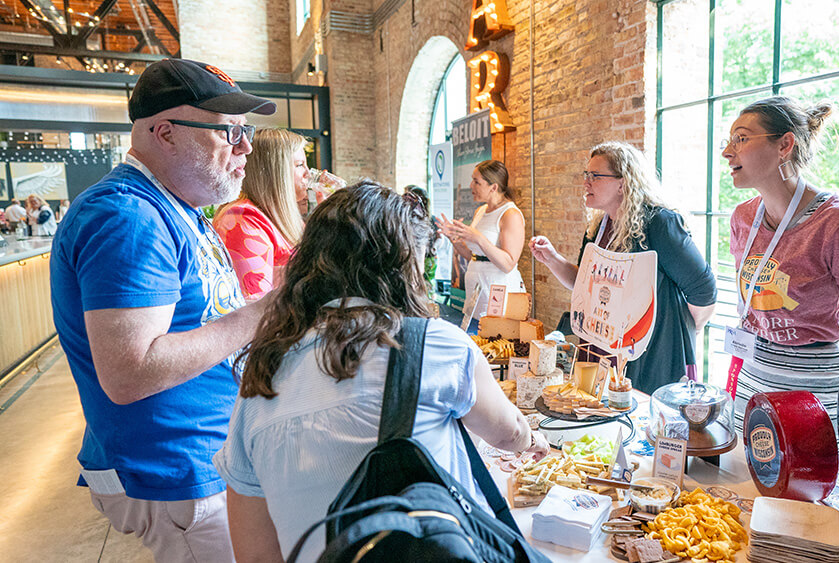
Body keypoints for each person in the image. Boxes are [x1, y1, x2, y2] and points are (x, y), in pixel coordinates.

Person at [214, 181, 549, 561]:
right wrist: (532, 441)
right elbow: (509, 432)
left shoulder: (262, 374)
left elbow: (254, 550)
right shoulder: (434, 345)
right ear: (401, 267)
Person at [49, 58, 278, 563]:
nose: (245, 149)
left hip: (203, 456)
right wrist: (260, 314)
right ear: (166, 133)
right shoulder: (128, 217)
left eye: (248, 133)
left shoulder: (176, 207)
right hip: (176, 472)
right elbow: (129, 372)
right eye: (230, 133)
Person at [722, 96, 839, 430]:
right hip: (751, 380)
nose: (728, 152)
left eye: (741, 139)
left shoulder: (837, 223)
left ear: (784, 145)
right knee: (741, 479)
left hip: (812, 392)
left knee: (806, 482)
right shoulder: (743, 218)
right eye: (729, 141)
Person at [529, 142, 717, 394]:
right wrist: (551, 259)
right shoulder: (598, 227)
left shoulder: (659, 223)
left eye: (595, 176)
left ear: (623, 182)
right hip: (602, 343)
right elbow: (583, 284)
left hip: (649, 351)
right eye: (586, 175)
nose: (586, 183)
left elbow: (704, 289)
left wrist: (674, 327)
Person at [213, 128, 306, 299]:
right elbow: (253, 306)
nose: (308, 174)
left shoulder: (285, 219)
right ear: (275, 171)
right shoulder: (243, 220)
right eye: (300, 165)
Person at [437, 160, 525, 332]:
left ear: (493, 187)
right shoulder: (481, 211)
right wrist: (454, 239)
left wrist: (478, 238)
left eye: (477, 182)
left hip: (499, 292)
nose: (471, 186)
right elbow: (474, 256)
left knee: (495, 343)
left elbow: (508, 263)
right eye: (472, 180)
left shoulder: (510, 214)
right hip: (476, 292)